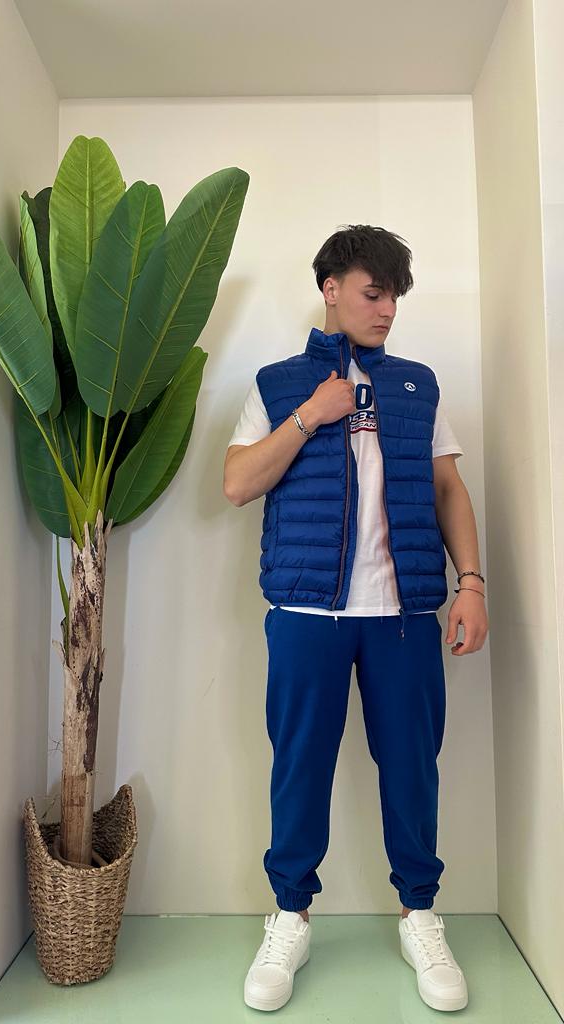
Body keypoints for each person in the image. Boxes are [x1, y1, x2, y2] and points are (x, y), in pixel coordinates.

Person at [223, 224, 488, 1013]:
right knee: (298, 766)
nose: (388, 309)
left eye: (395, 295)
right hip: (307, 614)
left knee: (412, 767)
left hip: (402, 617)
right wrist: (311, 414)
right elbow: (237, 483)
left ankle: (420, 917)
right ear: (331, 288)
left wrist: (471, 584)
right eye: (374, 293)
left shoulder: (417, 386)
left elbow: (448, 489)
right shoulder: (278, 384)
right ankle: (289, 918)